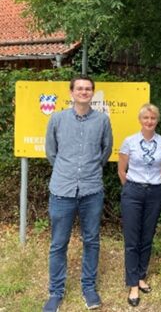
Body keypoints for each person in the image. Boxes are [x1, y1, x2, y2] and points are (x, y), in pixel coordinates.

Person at [43, 75, 113, 312]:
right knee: (58, 243)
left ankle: (89, 288)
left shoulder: (102, 120)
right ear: (71, 92)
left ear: (92, 93)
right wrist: (67, 171)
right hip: (62, 190)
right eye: (80, 88)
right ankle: (55, 292)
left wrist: (89, 170)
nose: (84, 92)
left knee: (91, 241)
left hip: (92, 190)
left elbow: (106, 151)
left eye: (88, 89)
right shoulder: (57, 119)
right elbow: (51, 152)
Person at [118, 104, 161, 307]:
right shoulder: (129, 141)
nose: (149, 121)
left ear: (157, 120)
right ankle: (132, 284)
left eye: (153, 118)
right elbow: (122, 170)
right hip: (132, 192)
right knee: (132, 239)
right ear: (140, 120)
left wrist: (150, 184)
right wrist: (132, 187)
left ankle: (141, 276)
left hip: (154, 192)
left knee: (147, 237)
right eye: (146, 118)